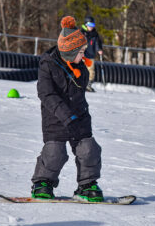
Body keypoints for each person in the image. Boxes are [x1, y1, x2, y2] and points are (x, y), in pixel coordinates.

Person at [30, 16, 103, 202]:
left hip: (79, 117)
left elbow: (80, 94)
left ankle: (87, 185)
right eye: (81, 52)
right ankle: (43, 183)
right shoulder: (48, 65)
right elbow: (46, 94)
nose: (84, 56)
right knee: (55, 152)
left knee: (89, 148)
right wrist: (65, 115)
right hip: (55, 118)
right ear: (70, 53)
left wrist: (80, 117)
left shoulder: (81, 68)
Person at [80, 16, 103, 92]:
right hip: (82, 55)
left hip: (90, 55)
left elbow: (97, 43)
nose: (91, 27)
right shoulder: (81, 33)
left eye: (93, 25)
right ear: (86, 24)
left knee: (91, 71)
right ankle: (79, 84)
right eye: (90, 25)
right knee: (81, 69)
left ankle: (88, 85)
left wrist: (99, 49)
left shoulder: (95, 34)